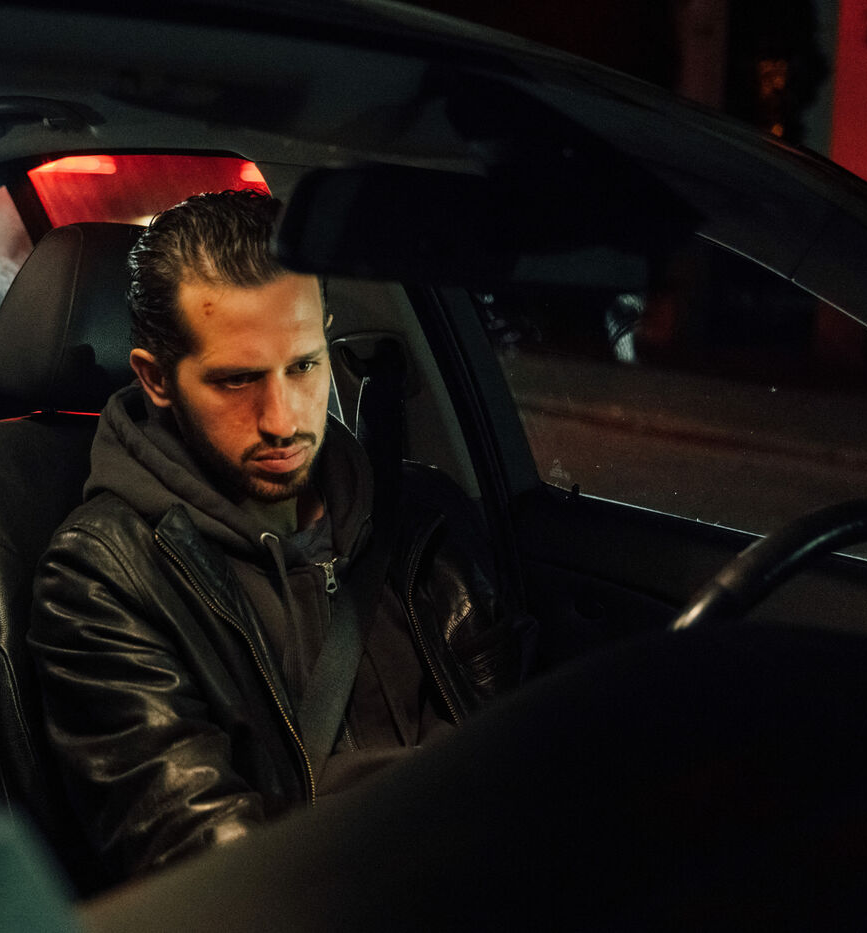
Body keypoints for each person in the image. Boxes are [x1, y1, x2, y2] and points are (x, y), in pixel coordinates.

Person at [28, 189, 529, 882]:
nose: (284, 420)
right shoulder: (102, 579)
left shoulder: (419, 513)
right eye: (237, 380)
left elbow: (527, 734)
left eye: (303, 365)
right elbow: (213, 863)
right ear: (156, 379)